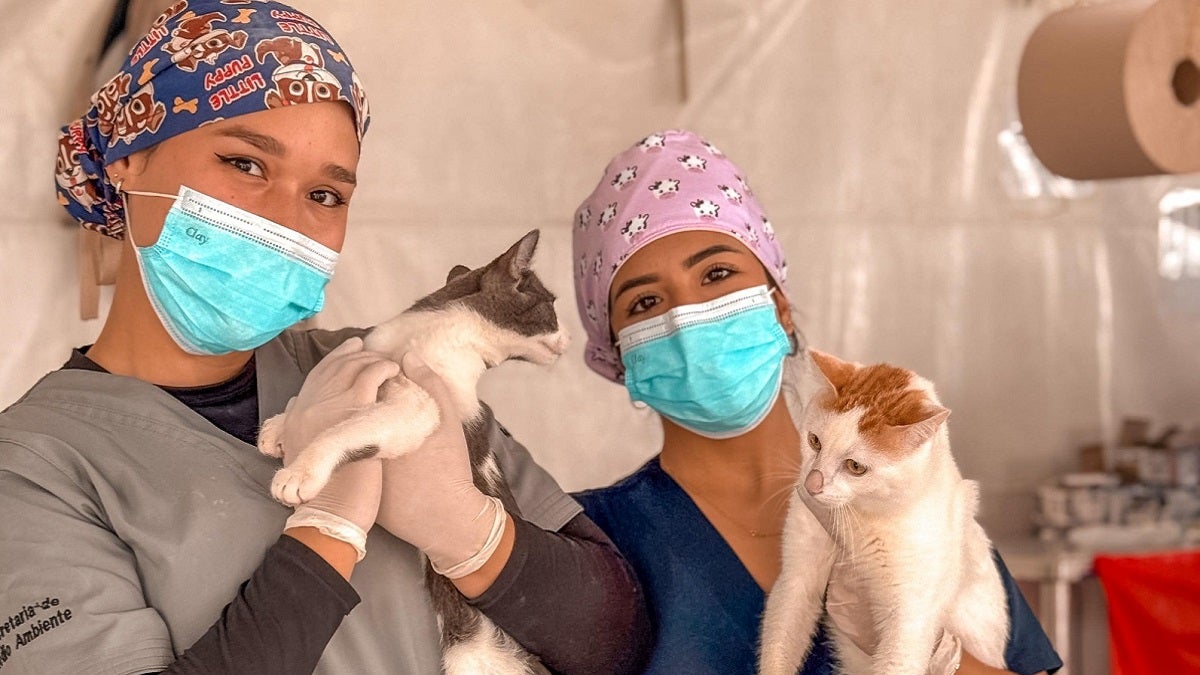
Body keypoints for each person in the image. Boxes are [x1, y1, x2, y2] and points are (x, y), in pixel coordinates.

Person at [0, 3, 649, 673]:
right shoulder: (35, 467)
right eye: (246, 164)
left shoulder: (383, 369)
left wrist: (469, 532)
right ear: (130, 160)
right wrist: (326, 535)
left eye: (326, 195)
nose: (287, 219)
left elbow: (616, 641)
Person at [569, 129, 1063, 675]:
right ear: (619, 356)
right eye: (644, 302)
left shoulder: (915, 498)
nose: (687, 319)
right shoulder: (589, 542)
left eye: (717, 274)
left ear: (778, 306)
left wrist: (938, 658)